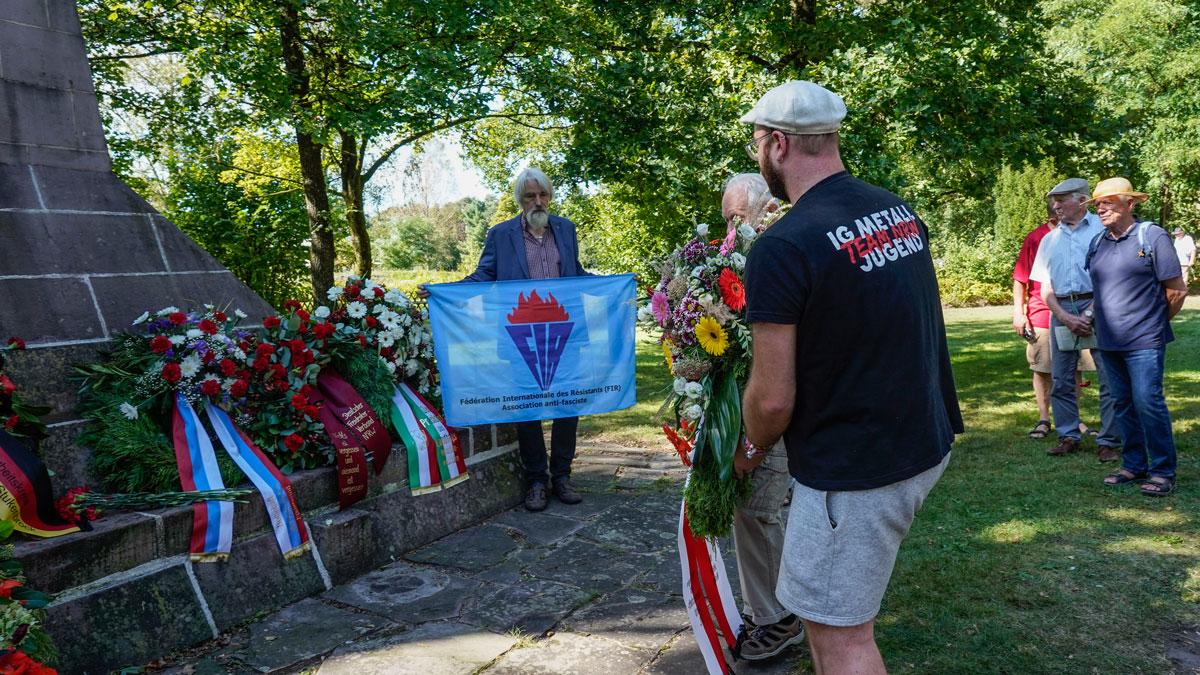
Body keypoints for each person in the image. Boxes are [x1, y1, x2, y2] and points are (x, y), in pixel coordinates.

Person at [739, 80, 963, 675]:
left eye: (758, 142)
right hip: (921, 437)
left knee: (841, 636)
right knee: (825, 618)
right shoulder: (893, 208)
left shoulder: (783, 245)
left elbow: (772, 395)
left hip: (857, 468)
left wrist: (746, 449)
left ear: (778, 145)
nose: (757, 155)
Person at [434, 167, 591, 511]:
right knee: (527, 408)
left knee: (568, 404)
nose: (538, 201)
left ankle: (562, 476)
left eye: (543, 195)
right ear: (519, 200)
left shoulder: (566, 229)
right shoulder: (501, 234)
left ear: (550, 196)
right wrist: (444, 292)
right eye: (530, 196)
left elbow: (576, 274)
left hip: (563, 333)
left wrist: (616, 284)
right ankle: (536, 480)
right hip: (520, 334)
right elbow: (484, 275)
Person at [720, 173, 803, 661]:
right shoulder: (740, 256)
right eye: (727, 219)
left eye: (737, 219)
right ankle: (765, 605)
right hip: (753, 396)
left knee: (759, 504)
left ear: (766, 211)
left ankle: (781, 617)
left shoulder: (779, 253)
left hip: (781, 399)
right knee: (754, 505)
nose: (730, 230)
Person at [1089, 178, 1187, 496]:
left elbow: (1176, 290)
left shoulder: (1152, 235)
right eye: (1097, 204)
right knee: (1122, 404)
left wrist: (1153, 324)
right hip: (1107, 340)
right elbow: (1102, 291)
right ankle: (1133, 465)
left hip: (1145, 339)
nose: (1101, 208)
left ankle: (1162, 471)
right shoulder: (1098, 242)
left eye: (1108, 201)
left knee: (1148, 402)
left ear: (1130, 204)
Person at [1029, 179, 1122, 461]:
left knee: (1109, 377)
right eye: (1053, 201)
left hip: (1100, 305)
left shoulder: (1102, 230)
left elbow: (1113, 278)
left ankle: (1108, 440)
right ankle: (1069, 435)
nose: (1055, 206)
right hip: (1062, 310)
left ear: (1082, 201)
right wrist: (1064, 316)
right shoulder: (1050, 239)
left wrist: (1089, 313)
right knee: (1061, 378)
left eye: (1061, 200)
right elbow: (1045, 287)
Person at [1012, 203, 1057, 439]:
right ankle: (1043, 418)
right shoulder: (1037, 237)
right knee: (1042, 368)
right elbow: (1020, 278)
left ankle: (1074, 419)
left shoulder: (1083, 234)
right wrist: (1019, 313)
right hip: (1042, 313)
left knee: (1076, 368)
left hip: (1076, 313)